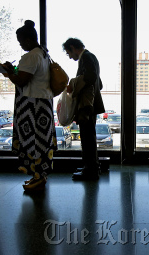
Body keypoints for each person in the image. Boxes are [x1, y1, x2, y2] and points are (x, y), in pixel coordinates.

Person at [2, 20, 56, 191]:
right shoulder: (43, 53)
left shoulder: (32, 55)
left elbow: (22, 80)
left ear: (27, 39)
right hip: (42, 103)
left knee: (34, 142)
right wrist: (14, 71)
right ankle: (40, 176)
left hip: (33, 106)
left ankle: (38, 177)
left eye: (20, 41)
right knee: (41, 141)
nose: (20, 45)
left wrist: (10, 72)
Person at [63, 38, 105, 180]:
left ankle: (90, 170)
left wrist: (74, 83)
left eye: (69, 53)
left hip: (87, 105)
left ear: (73, 47)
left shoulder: (86, 57)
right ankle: (91, 166)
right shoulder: (91, 56)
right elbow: (99, 82)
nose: (70, 56)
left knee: (87, 138)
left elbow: (91, 77)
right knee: (89, 137)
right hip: (91, 103)